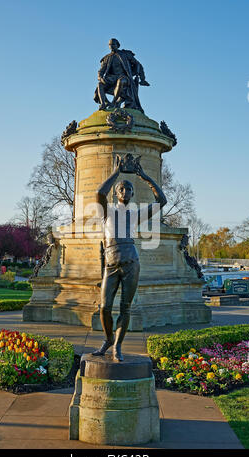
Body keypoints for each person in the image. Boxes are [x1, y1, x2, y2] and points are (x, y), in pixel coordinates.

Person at [92, 155, 167, 361]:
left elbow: (162, 201)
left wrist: (144, 176)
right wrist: (116, 172)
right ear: (116, 194)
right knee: (105, 307)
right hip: (111, 262)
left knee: (125, 307)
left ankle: (117, 346)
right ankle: (108, 339)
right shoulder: (107, 212)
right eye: (121, 189)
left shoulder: (135, 214)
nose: (125, 191)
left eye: (128, 189)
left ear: (133, 194)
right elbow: (99, 192)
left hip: (131, 262)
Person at [94, 38, 150, 112]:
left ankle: (114, 102)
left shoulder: (125, 54)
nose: (111, 46)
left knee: (120, 81)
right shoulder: (107, 58)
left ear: (118, 45)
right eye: (110, 45)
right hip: (112, 78)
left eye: (113, 44)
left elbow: (138, 65)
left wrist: (142, 79)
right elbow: (101, 71)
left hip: (124, 77)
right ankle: (103, 104)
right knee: (100, 84)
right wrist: (100, 78)